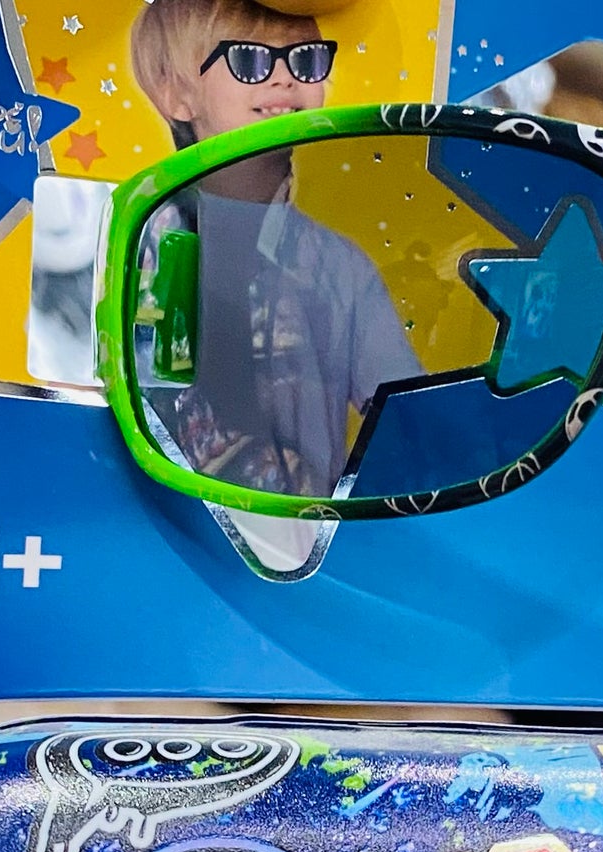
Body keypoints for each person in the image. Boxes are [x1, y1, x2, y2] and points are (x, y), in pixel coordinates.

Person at [130, 0, 422, 501]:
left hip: (304, 526)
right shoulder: (142, 245)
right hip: (154, 517)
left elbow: (411, 420)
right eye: (249, 60)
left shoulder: (337, 264)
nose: (285, 79)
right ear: (177, 94)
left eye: (306, 60)